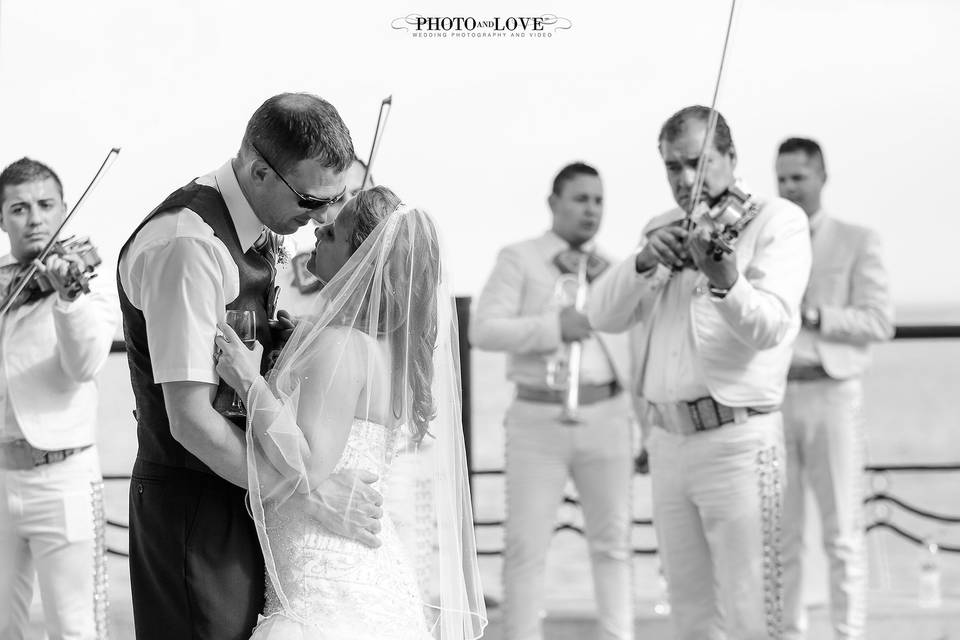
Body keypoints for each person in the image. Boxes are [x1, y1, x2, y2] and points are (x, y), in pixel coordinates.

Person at [117, 93, 384, 640]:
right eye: (312, 201)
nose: (321, 220)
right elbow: (190, 419)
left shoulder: (261, 225)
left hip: (244, 494)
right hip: (194, 509)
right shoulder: (185, 245)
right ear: (260, 170)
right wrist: (307, 493)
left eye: (334, 202)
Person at [214, 186, 487, 639]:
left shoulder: (339, 347)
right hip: (371, 580)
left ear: (362, 262)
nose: (320, 228)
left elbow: (306, 465)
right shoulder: (390, 354)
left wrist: (249, 380)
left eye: (335, 231)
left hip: (323, 592)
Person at [588, 106, 812, 639]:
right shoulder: (659, 230)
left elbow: (771, 327)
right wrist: (642, 262)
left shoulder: (776, 220)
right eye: (672, 167)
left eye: (697, 163)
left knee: (754, 609)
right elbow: (603, 315)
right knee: (688, 611)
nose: (685, 179)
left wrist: (727, 281)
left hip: (740, 439)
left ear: (730, 158)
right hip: (668, 440)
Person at [471, 162, 635, 640]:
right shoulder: (520, 258)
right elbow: (483, 329)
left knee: (614, 545)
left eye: (599, 200)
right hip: (537, 417)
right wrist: (551, 328)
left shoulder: (617, 268)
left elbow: (632, 351)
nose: (591, 209)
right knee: (526, 547)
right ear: (553, 203)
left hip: (607, 415)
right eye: (581, 199)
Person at [776, 137, 894, 640]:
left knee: (842, 532)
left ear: (822, 177)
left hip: (832, 394)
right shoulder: (769, 240)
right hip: (776, 399)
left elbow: (880, 320)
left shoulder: (857, 239)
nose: (788, 188)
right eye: (781, 179)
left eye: (798, 177)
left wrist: (817, 316)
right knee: (782, 537)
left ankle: (848, 634)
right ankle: (786, 632)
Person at [0, 158, 118, 639]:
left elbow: (84, 365)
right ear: (2, 218)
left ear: (65, 209)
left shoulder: (86, 291)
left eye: (46, 205)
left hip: (63, 482)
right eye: (19, 208)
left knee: (75, 629)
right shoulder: (7, 284)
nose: (35, 218)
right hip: (1, 479)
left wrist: (68, 298)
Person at [277, 155, 374, 317]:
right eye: (336, 199)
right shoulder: (284, 281)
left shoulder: (397, 282)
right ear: (317, 213)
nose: (348, 206)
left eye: (358, 194)